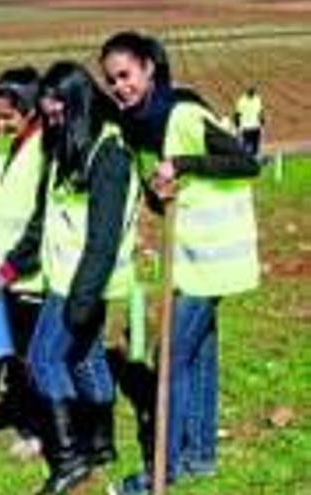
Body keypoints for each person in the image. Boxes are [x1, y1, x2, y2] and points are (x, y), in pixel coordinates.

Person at [101, 31, 261, 495]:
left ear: (149, 68)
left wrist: (184, 164)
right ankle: (200, 456)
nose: (119, 87)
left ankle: (162, 472)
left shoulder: (184, 112)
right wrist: (159, 189)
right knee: (201, 353)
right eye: (112, 81)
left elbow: (244, 163)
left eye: (126, 75)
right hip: (189, 255)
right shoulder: (137, 127)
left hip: (217, 255)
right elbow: (158, 199)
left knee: (169, 354)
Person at [24, 61, 140, 495]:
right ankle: (101, 443)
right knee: (87, 357)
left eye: (58, 115)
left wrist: (80, 300)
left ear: (79, 104)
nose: (52, 122)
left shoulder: (108, 154)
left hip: (82, 284)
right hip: (66, 278)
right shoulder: (71, 147)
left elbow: (103, 240)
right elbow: (52, 219)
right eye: (47, 115)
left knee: (43, 359)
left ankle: (70, 459)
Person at [0, 66, 48, 459]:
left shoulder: (47, 153)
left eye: (8, 116)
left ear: (32, 110)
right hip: (3, 274)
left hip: (32, 276)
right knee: (12, 353)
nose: (1, 124)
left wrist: (11, 267)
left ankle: (36, 430)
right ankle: (22, 418)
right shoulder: (4, 148)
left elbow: (42, 224)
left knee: (32, 358)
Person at [233, 86, 264, 156]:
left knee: (253, 147)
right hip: (248, 127)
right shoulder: (243, 100)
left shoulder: (256, 99)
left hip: (253, 127)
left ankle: (250, 160)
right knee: (249, 147)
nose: (252, 94)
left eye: (252, 93)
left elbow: (260, 113)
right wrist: (237, 126)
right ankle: (249, 160)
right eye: (251, 93)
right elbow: (237, 115)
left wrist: (237, 126)